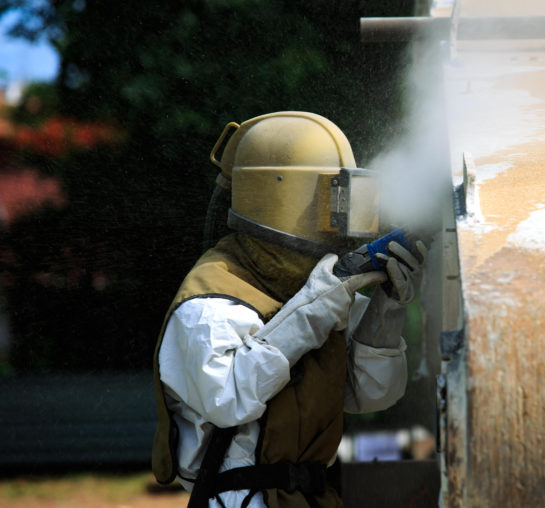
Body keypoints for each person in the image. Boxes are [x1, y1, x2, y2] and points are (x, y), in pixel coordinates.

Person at [151, 111, 427, 508]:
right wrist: (315, 308)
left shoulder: (314, 289)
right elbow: (229, 398)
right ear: (290, 193)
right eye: (334, 195)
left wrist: (387, 309)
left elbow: (369, 393)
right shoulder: (208, 302)